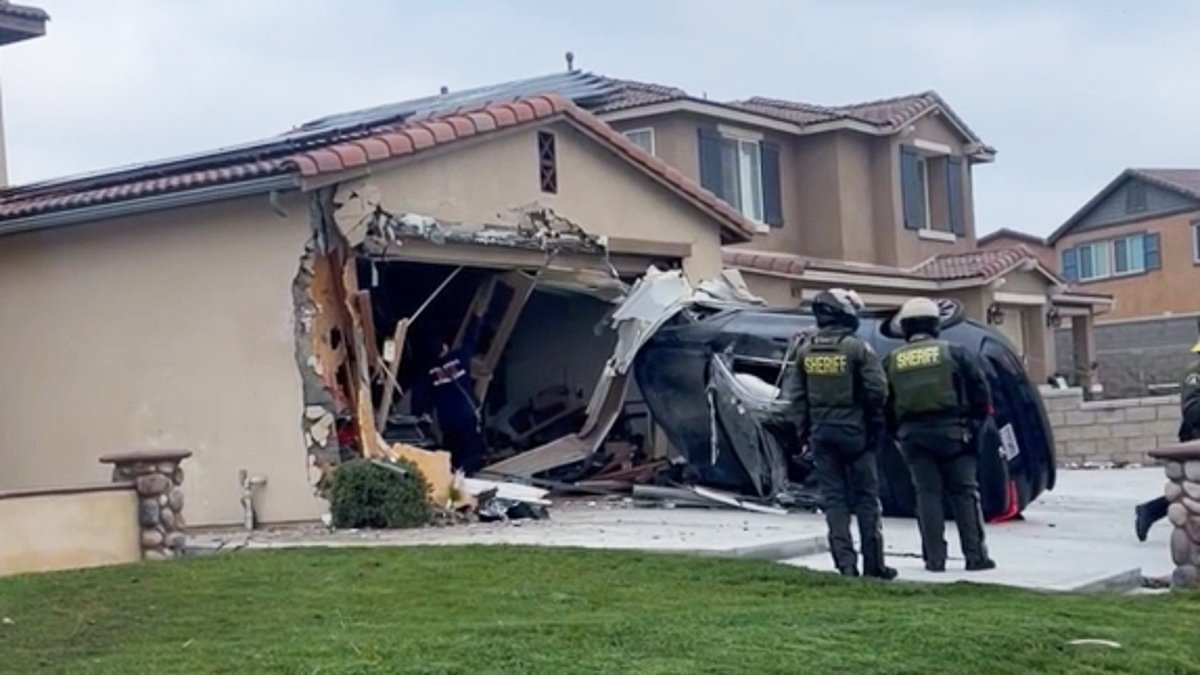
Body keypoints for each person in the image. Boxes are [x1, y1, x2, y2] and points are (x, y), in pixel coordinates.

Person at [779, 288, 896, 580]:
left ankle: (844, 564)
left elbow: (794, 399)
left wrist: (804, 433)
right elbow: (878, 390)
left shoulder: (805, 351)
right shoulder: (858, 348)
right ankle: (874, 564)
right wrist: (874, 425)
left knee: (834, 500)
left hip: (821, 434)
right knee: (867, 499)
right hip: (856, 433)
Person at [884, 297, 996, 572]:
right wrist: (975, 426)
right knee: (965, 494)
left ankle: (934, 560)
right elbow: (982, 395)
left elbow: (883, 404)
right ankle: (975, 557)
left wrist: (897, 434)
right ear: (935, 325)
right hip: (956, 435)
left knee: (927, 496)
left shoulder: (891, 361)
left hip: (913, 438)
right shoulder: (955, 353)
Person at [1134, 338, 1200, 541]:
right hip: (1195, 439)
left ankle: (1150, 510)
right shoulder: (1195, 374)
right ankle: (1150, 510)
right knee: (1193, 492)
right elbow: (1192, 411)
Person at [412, 319, 485, 474]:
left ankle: (456, 477)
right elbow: (470, 342)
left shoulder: (429, 374)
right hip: (467, 416)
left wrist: (423, 418)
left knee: (454, 454)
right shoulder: (459, 357)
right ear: (444, 346)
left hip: (447, 421)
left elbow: (423, 399)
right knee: (471, 453)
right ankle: (472, 476)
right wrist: (476, 320)